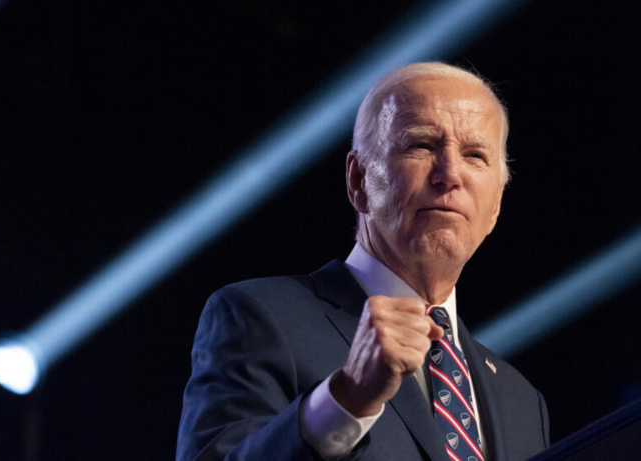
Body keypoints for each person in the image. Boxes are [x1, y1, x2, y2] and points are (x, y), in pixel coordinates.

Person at [177, 62, 549, 461]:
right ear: (358, 181)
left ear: (495, 206)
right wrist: (346, 400)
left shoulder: (523, 402)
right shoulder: (259, 317)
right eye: (421, 145)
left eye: (475, 155)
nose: (450, 174)